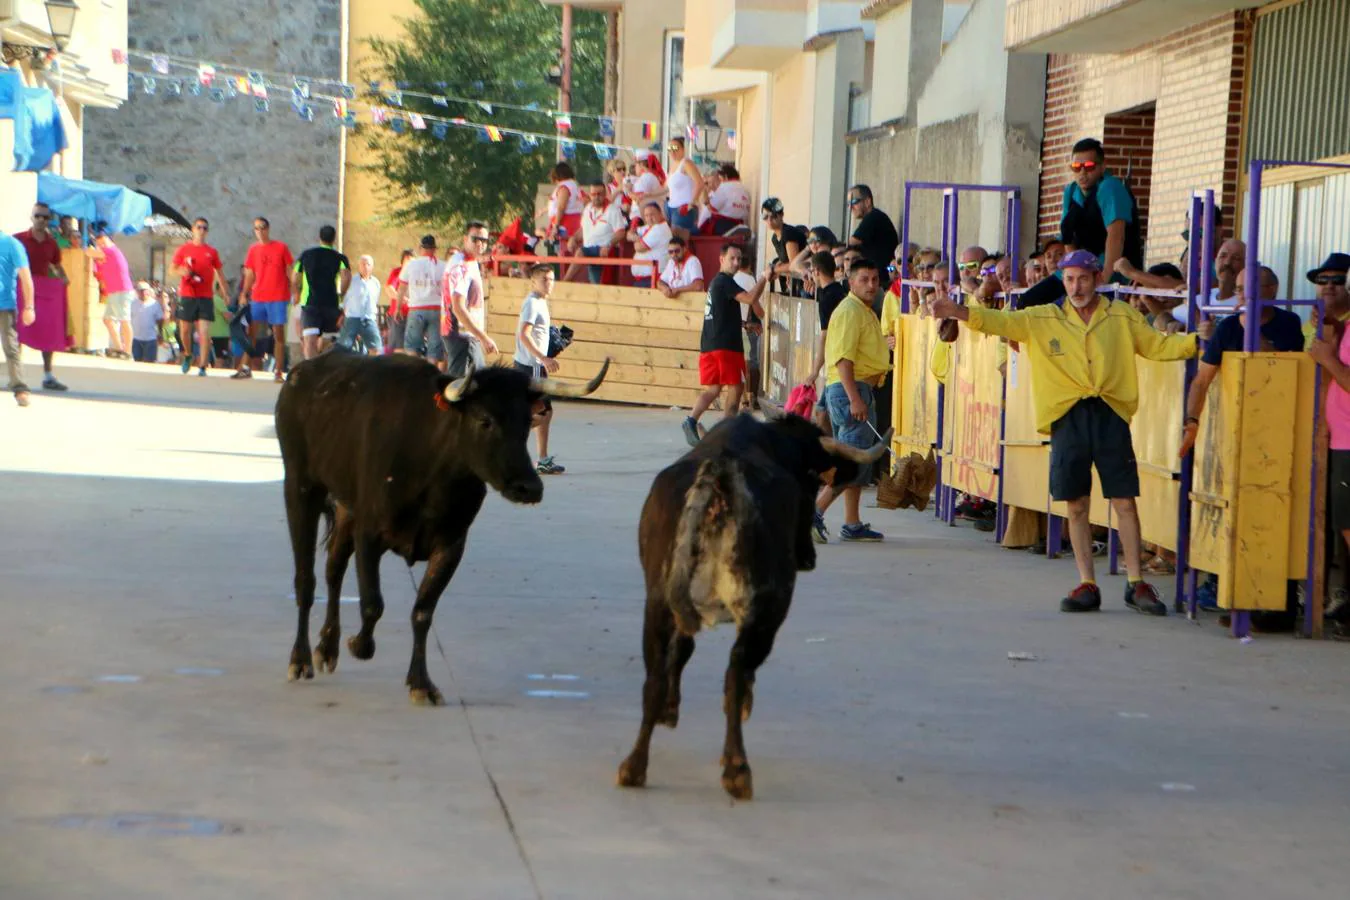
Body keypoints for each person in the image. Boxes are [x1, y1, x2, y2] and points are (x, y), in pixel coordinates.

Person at [929, 250, 1210, 615]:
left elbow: (1157, 346)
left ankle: (1135, 583)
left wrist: (1197, 343)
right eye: (1070, 279)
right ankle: (1086, 582)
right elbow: (1000, 321)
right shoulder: (1043, 317)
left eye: (1083, 278)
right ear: (1063, 281)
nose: (1076, 287)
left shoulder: (1121, 316)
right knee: (1076, 503)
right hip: (1067, 417)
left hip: (1110, 413)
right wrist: (957, 311)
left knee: (1124, 499)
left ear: (1096, 279)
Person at [812, 258, 890, 543]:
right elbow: (843, 359)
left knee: (858, 459)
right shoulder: (850, 311)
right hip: (852, 390)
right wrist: (855, 399)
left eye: (875, 279)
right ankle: (815, 512)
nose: (871, 285)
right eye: (864, 279)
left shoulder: (862, 310)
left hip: (856, 390)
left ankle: (852, 522)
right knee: (852, 460)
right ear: (850, 281)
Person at [681, 242, 768, 446]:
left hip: (710, 346)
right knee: (737, 388)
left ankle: (691, 420)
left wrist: (745, 324)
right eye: (732, 258)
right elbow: (750, 298)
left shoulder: (716, 284)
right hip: (726, 348)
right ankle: (728, 435)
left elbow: (722, 315)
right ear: (721, 259)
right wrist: (765, 277)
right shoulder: (725, 282)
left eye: (739, 259)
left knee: (713, 390)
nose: (736, 263)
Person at [1059, 137, 1142, 278]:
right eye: (1076, 167)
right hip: (1081, 271)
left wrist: (1104, 278)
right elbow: (1067, 238)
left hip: (1114, 270)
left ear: (1103, 166)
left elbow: (1116, 237)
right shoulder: (1071, 191)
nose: (1082, 172)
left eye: (1089, 166)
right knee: (1031, 298)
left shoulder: (1110, 187)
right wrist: (1072, 274)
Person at [514, 263, 565, 475]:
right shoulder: (533, 304)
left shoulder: (541, 302)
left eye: (552, 279)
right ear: (533, 281)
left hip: (534, 365)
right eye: (545, 280)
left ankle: (542, 458)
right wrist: (542, 358)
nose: (549, 284)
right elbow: (523, 334)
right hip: (531, 366)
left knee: (546, 412)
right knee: (541, 413)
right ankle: (513, 437)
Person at [13, 202, 69, 391]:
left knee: (48, 331)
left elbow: (56, 264)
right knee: (18, 332)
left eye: (45, 217)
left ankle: (48, 375)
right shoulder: (18, 239)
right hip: (22, 288)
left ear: (49, 220)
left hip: (43, 290)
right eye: (38, 216)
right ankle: (16, 376)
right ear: (32, 217)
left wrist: (64, 278)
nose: (41, 220)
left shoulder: (51, 243)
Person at [171, 217, 228, 377]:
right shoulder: (184, 249)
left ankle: (203, 365)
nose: (202, 231)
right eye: (199, 227)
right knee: (185, 330)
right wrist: (183, 271)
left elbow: (220, 272)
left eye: (205, 228)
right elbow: (172, 269)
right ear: (193, 229)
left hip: (205, 296)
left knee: (204, 331)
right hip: (188, 294)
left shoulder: (212, 252)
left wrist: (225, 292)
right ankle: (188, 354)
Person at [240, 216, 295, 381]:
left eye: (262, 227)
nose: (260, 231)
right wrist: (244, 293)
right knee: (252, 333)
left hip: (278, 296)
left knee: (278, 334)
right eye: (256, 228)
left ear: (268, 229)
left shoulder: (281, 247)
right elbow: (249, 273)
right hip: (258, 296)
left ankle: (278, 371)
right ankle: (245, 367)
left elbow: (289, 270)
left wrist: (295, 290)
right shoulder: (253, 250)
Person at [442, 222, 496, 377]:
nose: (480, 243)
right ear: (465, 239)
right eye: (475, 239)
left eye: (484, 240)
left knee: (475, 386)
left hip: (467, 335)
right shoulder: (461, 265)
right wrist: (483, 337)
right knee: (460, 388)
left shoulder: (470, 262)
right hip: (462, 336)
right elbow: (457, 307)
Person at [292, 225, 351, 360]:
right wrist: (341, 293)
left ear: (319, 238)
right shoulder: (340, 258)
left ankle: (311, 370)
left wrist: (296, 292)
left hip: (310, 303)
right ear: (334, 239)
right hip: (330, 303)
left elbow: (295, 277)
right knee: (330, 339)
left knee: (310, 340)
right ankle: (325, 366)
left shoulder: (306, 255)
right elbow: (346, 277)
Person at [806, 250, 849, 433]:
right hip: (840, 361)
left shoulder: (827, 298)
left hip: (838, 364)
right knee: (822, 411)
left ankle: (833, 451)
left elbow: (825, 336)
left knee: (826, 413)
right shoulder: (838, 291)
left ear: (816, 271)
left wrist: (814, 371)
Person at [84, 228, 135, 360]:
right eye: (99, 243)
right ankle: (120, 348)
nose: (101, 245)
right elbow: (98, 269)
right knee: (108, 320)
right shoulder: (104, 254)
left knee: (124, 320)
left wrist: (90, 247)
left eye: (103, 241)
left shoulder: (111, 250)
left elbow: (89, 252)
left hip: (122, 289)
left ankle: (128, 352)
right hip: (114, 291)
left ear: (110, 240)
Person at [0, 230, 35, 406]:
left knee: (11, 347)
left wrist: (29, 307)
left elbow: (26, 277)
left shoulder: (12, 244)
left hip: (4, 305)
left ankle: (20, 388)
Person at [398, 235, 445, 361]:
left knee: (412, 346)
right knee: (434, 347)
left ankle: (414, 373)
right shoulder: (442, 266)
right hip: (437, 309)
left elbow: (402, 287)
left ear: (420, 248)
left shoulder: (411, 265)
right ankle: (431, 375)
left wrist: (398, 308)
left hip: (417, 308)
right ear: (435, 249)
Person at [570, 182, 628, 284]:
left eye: (600, 194)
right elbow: (583, 229)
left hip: (605, 251)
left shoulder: (612, 210)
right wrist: (573, 238)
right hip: (590, 250)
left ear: (605, 194)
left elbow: (621, 232)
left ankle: (564, 281)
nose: (597, 197)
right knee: (595, 284)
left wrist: (608, 245)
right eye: (594, 194)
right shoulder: (588, 209)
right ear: (590, 195)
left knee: (581, 253)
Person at [847, 185, 900, 292]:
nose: (850, 207)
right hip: (882, 275)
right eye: (848, 204)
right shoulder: (872, 218)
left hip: (885, 276)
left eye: (854, 202)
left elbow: (851, 243)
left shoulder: (873, 217)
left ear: (867, 202)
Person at [337, 255, 383, 355]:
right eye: (363, 264)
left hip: (369, 319)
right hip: (353, 318)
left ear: (372, 267)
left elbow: (375, 302)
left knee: (376, 348)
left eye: (368, 264)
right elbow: (345, 300)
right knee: (343, 348)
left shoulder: (376, 283)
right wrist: (342, 315)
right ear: (359, 266)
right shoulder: (352, 281)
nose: (365, 267)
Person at [762, 198, 807, 295]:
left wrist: (773, 269)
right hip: (797, 282)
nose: (769, 220)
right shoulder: (775, 238)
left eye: (773, 216)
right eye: (765, 216)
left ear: (781, 215)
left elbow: (794, 264)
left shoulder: (788, 233)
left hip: (807, 282)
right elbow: (784, 260)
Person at [664, 136, 704, 241]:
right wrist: (648, 194)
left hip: (684, 207)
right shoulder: (672, 166)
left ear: (682, 149)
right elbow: (666, 188)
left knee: (679, 241)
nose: (672, 152)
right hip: (670, 207)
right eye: (670, 149)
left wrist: (691, 203)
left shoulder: (686, 163)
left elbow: (699, 183)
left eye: (675, 148)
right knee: (670, 240)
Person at [630, 203, 672, 285]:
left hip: (652, 278)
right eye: (646, 216)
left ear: (660, 214)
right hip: (646, 279)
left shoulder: (659, 228)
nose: (649, 218)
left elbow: (639, 248)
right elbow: (630, 233)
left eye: (652, 214)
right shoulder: (652, 226)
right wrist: (635, 236)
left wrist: (635, 238)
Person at [703, 163, 751, 235]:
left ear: (725, 176)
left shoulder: (724, 187)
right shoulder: (745, 189)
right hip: (741, 224)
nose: (720, 181)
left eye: (720, 178)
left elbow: (713, 208)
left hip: (724, 226)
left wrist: (706, 200)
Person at [544, 162, 584, 247]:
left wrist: (556, 226)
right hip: (573, 222)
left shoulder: (564, 187)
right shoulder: (573, 185)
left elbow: (561, 207)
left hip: (565, 224)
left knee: (563, 251)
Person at [384, 249, 413, 355]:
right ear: (402, 261)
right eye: (407, 260)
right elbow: (389, 288)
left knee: (411, 347)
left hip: (413, 315)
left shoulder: (417, 273)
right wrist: (401, 298)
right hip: (399, 315)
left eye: (411, 260)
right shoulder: (397, 272)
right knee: (398, 347)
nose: (409, 263)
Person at [129, 282, 164, 364]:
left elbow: (160, 320)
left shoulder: (155, 304)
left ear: (148, 291)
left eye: (145, 290)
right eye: (140, 291)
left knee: (150, 362)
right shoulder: (133, 303)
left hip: (151, 339)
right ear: (137, 292)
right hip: (136, 338)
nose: (143, 293)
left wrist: (160, 333)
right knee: (137, 361)